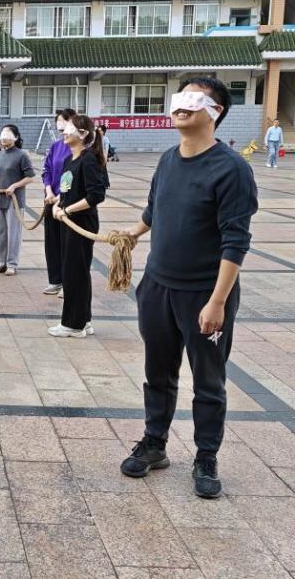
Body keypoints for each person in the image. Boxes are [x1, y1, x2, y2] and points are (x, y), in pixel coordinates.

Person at [120, 78, 258, 499]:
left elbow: (236, 240)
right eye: (180, 97)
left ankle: (206, 456)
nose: (181, 105)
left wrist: (218, 301)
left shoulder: (232, 169)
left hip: (204, 295)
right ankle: (154, 443)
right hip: (158, 287)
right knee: (157, 372)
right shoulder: (168, 159)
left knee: (208, 381)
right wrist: (132, 234)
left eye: (194, 99)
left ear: (215, 111)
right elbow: (154, 209)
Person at [48, 114, 107, 338]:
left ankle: (73, 324)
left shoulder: (88, 159)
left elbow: (96, 195)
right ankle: (84, 320)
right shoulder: (69, 160)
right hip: (68, 222)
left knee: (75, 273)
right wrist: (57, 204)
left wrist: (68, 210)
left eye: (69, 128)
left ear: (83, 134)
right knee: (73, 271)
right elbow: (67, 191)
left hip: (81, 223)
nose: (64, 131)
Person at [0, 124, 35, 277]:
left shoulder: (22, 155)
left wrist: (15, 186)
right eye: (2, 135)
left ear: (15, 138)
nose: (4, 138)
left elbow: (30, 177)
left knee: (13, 233)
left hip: (14, 200)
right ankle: (1, 262)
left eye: (8, 135)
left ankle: (12, 264)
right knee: (0, 232)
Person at [41, 109, 76, 297]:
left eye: (65, 120)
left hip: (68, 203)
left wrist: (60, 197)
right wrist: (48, 191)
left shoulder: (78, 148)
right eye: (59, 121)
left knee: (67, 244)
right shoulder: (55, 146)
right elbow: (46, 170)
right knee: (52, 242)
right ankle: (55, 280)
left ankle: (68, 283)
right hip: (51, 199)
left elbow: (74, 176)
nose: (61, 124)